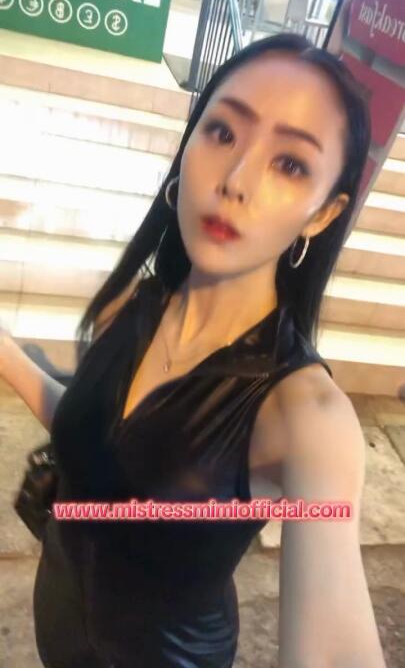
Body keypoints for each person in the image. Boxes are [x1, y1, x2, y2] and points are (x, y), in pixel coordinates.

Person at [0, 33, 387, 668]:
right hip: (60, 633)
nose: (236, 180)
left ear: (323, 214)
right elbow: (99, 438)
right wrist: (8, 353)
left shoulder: (305, 416)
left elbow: (335, 651)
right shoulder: (135, 305)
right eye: (223, 133)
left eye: (290, 164)